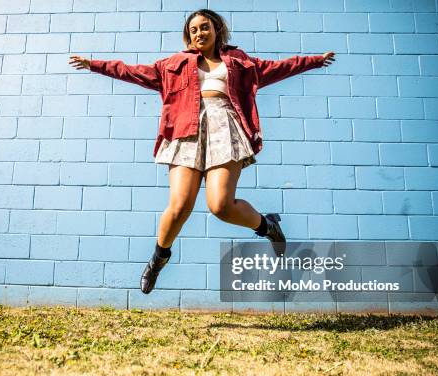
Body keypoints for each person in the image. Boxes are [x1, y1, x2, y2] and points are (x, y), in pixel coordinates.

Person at [69, 9, 335, 295]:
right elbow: (134, 72)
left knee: (220, 205)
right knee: (180, 205)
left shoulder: (239, 61)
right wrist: (94, 65)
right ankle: (159, 258)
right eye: (193, 30)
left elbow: (279, 68)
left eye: (204, 27)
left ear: (216, 29)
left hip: (225, 128)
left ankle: (267, 226)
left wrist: (314, 61)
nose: (199, 33)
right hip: (185, 129)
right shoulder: (174, 63)